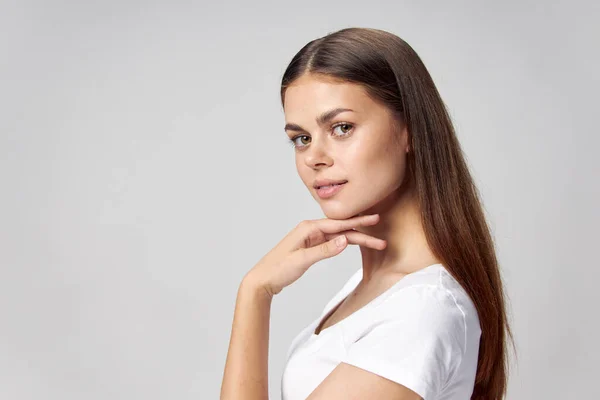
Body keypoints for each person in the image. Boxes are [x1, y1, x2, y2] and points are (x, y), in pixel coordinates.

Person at [220, 27, 515, 400]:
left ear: (408, 130)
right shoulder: (371, 284)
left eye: (341, 128)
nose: (314, 157)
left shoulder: (422, 308)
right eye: (301, 138)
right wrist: (255, 288)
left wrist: (254, 293)